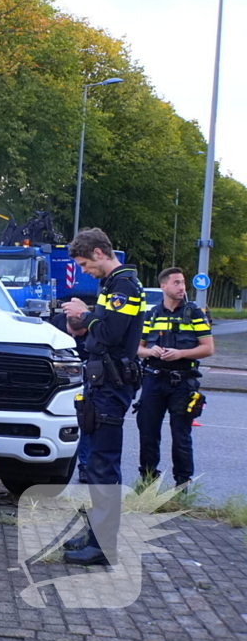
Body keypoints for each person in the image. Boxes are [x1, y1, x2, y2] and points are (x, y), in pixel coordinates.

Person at [60, 229, 147, 566]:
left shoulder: (123, 284)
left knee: (103, 464)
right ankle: (95, 533)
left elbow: (111, 333)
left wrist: (86, 314)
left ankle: (103, 545)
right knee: (93, 462)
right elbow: (101, 330)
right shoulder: (112, 286)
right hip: (101, 382)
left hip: (111, 385)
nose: (84, 270)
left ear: (98, 253)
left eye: (84, 264)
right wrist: (80, 323)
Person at [137, 268, 214, 488]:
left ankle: (182, 485)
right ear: (164, 286)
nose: (182, 287)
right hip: (153, 380)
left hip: (183, 382)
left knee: (181, 436)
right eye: (177, 283)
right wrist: (149, 352)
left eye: (183, 283)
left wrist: (181, 354)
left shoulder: (194, 313)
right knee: (148, 433)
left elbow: (208, 348)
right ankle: (148, 483)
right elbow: (137, 349)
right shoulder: (151, 314)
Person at [49, 310, 89, 483]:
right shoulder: (55, 324)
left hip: (86, 377)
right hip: (58, 381)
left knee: (86, 422)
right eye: (70, 332)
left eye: (77, 335)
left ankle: (85, 467)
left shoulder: (94, 331)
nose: (73, 337)